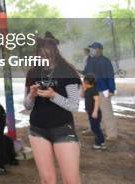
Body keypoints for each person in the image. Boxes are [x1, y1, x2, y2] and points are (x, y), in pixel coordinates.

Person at [24, 34, 81, 184]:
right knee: (47, 180)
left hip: (63, 130)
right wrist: (31, 95)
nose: (44, 59)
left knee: (71, 180)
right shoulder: (32, 73)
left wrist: (53, 95)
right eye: (41, 55)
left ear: (55, 52)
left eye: (47, 55)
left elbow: (74, 105)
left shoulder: (67, 71)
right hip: (37, 130)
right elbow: (27, 106)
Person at [88, 42, 117, 141]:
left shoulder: (105, 61)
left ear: (99, 49)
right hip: (93, 89)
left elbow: (110, 76)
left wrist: (111, 89)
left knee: (106, 112)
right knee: (93, 111)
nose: (92, 50)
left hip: (103, 89)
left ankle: (112, 134)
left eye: (93, 48)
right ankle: (95, 129)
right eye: (91, 48)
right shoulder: (91, 61)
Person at [81, 73, 105, 150]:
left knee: (95, 128)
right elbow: (81, 96)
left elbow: (97, 101)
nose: (83, 82)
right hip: (90, 112)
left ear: (87, 82)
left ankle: (98, 144)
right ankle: (102, 143)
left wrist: (95, 112)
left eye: (84, 81)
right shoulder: (87, 89)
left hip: (95, 112)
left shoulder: (94, 90)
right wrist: (83, 89)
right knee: (95, 127)